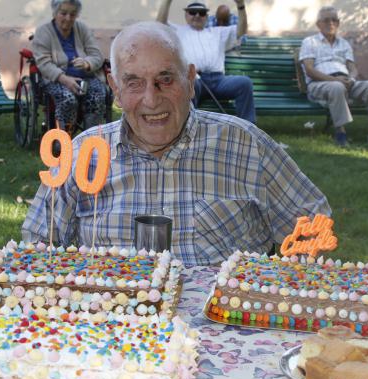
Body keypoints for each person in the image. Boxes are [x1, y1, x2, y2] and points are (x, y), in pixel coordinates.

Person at [21, 21, 331, 267]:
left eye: (165, 79)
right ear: (115, 87)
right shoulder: (83, 153)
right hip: (111, 333)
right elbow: (38, 242)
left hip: (220, 334)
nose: (151, 99)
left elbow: (313, 223)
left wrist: (286, 285)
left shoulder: (246, 145)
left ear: (190, 79)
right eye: (133, 82)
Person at [299, 6, 368, 147]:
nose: (331, 23)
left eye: (334, 20)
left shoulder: (344, 43)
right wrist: (335, 80)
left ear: (338, 23)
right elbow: (309, 70)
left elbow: (352, 67)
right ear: (318, 24)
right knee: (336, 87)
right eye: (326, 20)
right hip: (319, 84)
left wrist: (352, 79)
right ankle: (341, 133)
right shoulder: (310, 42)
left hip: (345, 81)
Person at [157, 0, 256, 124]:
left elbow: (241, 31)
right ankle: (188, 129)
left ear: (207, 17)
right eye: (193, 12)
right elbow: (159, 25)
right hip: (195, 79)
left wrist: (241, 6)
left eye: (202, 12)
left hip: (219, 81)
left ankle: (248, 129)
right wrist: (167, 2)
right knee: (187, 84)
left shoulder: (218, 32)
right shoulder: (177, 31)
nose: (197, 15)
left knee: (244, 83)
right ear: (186, 15)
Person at [32, 0, 108, 131]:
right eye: (63, 13)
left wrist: (87, 63)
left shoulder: (82, 29)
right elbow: (44, 63)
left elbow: (97, 55)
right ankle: (63, 141)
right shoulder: (43, 32)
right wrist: (65, 79)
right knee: (68, 100)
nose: (68, 18)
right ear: (55, 13)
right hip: (56, 79)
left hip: (86, 78)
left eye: (73, 14)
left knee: (98, 96)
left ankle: (91, 139)